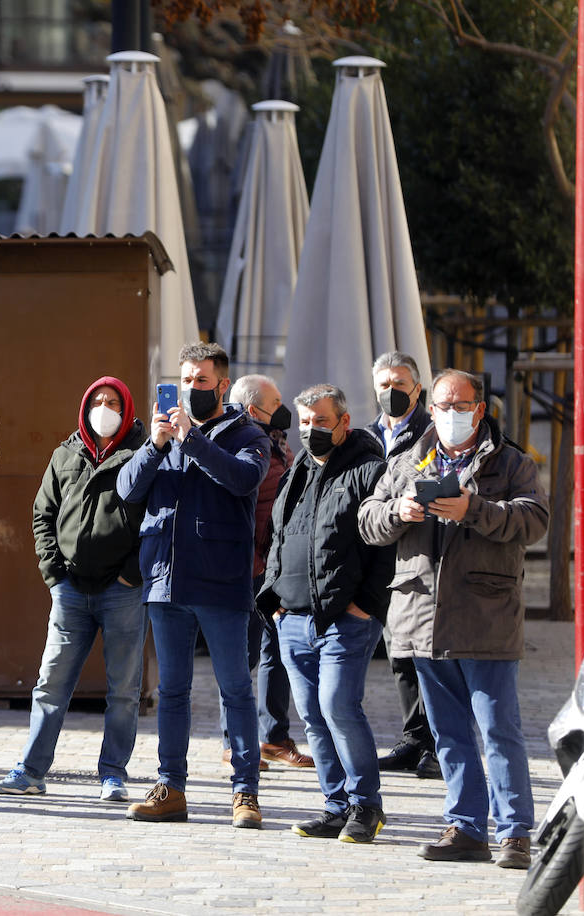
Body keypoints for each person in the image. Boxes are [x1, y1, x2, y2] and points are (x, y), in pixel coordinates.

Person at [359, 369, 548, 869]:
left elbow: (534, 519)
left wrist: (473, 509)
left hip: (487, 618)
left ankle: (513, 832)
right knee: (448, 733)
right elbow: (367, 520)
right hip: (425, 619)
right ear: (431, 408)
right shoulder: (406, 460)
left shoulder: (511, 462)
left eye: (461, 406)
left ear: (479, 410)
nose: (450, 414)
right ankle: (465, 827)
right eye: (443, 406)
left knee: (499, 730)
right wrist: (398, 512)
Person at [117, 342, 270, 829]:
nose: (191, 388)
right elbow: (127, 490)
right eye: (185, 380)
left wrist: (192, 440)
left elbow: (243, 479)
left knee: (235, 689)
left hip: (221, 580)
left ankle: (245, 791)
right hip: (165, 581)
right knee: (172, 691)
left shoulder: (248, 434)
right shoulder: (162, 435)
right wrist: (155, 445)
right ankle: (171, 787)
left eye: (201, 380)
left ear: (223, 385)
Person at [0, 376, 146, 803]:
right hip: (70, 590)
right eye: (97, 401)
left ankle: (113, 774)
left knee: (123, 691)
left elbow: (158, 520)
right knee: (51, 683)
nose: (104, 408)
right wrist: (54, 574)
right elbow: (42, 514)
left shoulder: (144, 454)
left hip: (123, 592)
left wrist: (131, 574)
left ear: (126, 409)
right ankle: (31, 770)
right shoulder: (65, 453)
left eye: (113, 402)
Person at [257, 384, 394, 843]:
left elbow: (385, 547)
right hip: (292, 618)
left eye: (321, 421)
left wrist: (365, 606)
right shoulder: (297, 469)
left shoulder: (369, 470)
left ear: (344, 423)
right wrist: (275, 600)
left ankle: (366, 806)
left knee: (338, 705)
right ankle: (336, 806)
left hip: (344, 619)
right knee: (313, 714)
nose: (311, 429)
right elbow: (278, 536)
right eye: (305, 421)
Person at [224, 374, 311, 770]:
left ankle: (274, 737)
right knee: (240, 657)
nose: (283, 409)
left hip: (278, 567)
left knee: (277, 652)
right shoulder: (240, 442)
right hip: (248, 566)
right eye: (276, 403)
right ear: (252, 409)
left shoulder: (278, 442)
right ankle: (234, 741)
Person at [365, 350, 441, 780]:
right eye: (384, 384)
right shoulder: (366, 436)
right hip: (377, 555)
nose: (391, 391)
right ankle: (413, 738)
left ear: (417, 389)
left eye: (399, 384)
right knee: (398, 654)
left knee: (424, 655)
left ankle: (435, 743)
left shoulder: (432, 434)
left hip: (417, 558)